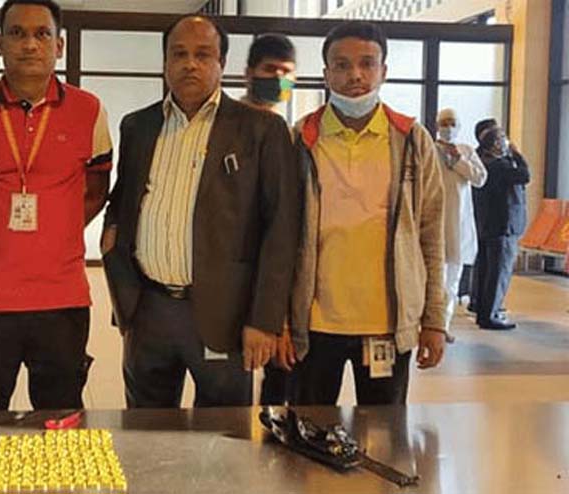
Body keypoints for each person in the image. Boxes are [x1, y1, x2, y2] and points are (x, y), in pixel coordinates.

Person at [102, 15, 301, 408]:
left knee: (222, 434)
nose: (190, 64)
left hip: (225, 313)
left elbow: (281, 229)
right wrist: (116, 268)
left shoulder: (262, 129)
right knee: (147, 428)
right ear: (165, 62)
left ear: (222, 64)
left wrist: (264, 320)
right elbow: (122, 203)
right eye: (179, 54)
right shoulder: (138, 126)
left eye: (203, 55)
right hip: (149, 309)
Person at [0, 0, 113, 411]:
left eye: (42, 34)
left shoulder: (89, 110)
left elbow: (97, 189)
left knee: (59, 424)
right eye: (17, 33)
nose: (29, 44)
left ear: (59, 45)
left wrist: (57, 231)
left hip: (61, 301)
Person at [288, 21, 446, 406]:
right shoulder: (301, 138)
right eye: (342, 65)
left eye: (367, 63)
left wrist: (434, 320)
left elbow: (431, 235)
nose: (355, 75)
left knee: (384, 433)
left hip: (386, 324)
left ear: (383, 71)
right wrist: (280, 320)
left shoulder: (411, 139)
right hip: (315, 322)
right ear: (326, 74)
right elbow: (279, 235)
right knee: (309, 427)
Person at [240, 33, 298, 406]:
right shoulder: (229, 126)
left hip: (278, 279)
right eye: (270, 70)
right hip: (232, 280)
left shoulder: (293, 135)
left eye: (286, 73)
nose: (278, 79)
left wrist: (282, 316)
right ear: (249, 73)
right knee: (228, 395)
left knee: (280, 388)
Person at [434, 108, 487, 342]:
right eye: (444, 123)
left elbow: (480, 178)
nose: (448, 127)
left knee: (452, 281)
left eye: (452, 123)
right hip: (434, 223)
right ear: (437, 125)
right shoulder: (429, 149)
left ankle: (443, 326)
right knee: (433, 281)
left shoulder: (466, 151)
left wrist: (458, 160)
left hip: (459, 224)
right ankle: (430, 324)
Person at [472, 119, 529, 330]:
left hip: (487, 225)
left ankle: (483, 310)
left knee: (487, 271)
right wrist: (517, 154)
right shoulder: (500, 166)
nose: (506, 141)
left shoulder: (480, 162)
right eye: (502, 138)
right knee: (498, 273)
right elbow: (525, 175)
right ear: (495, 143)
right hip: (503, 226)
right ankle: (491, 314)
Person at [241, 33, 296, 114]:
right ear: (249, 74)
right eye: (270, 69)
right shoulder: (227, 119)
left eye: (286, 71)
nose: (279, 77)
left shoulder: (284, 121)